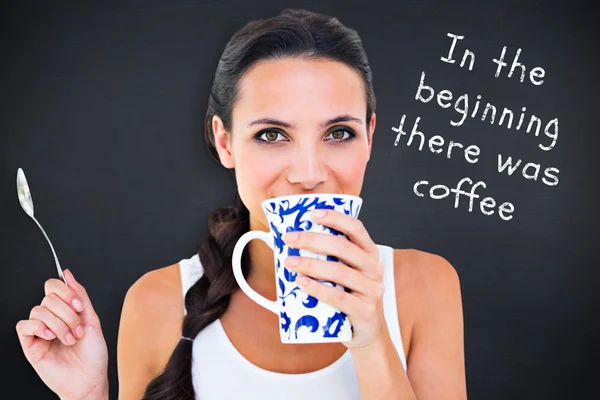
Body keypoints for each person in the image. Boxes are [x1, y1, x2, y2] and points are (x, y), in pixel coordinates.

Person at [16, 8, 466, 400]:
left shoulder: (424, 288)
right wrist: (88, 395)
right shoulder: (156, 303)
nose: (308, 173)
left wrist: (371, 341)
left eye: (338, 133)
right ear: (225, 142)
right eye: (272, 135)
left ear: (369, 137)